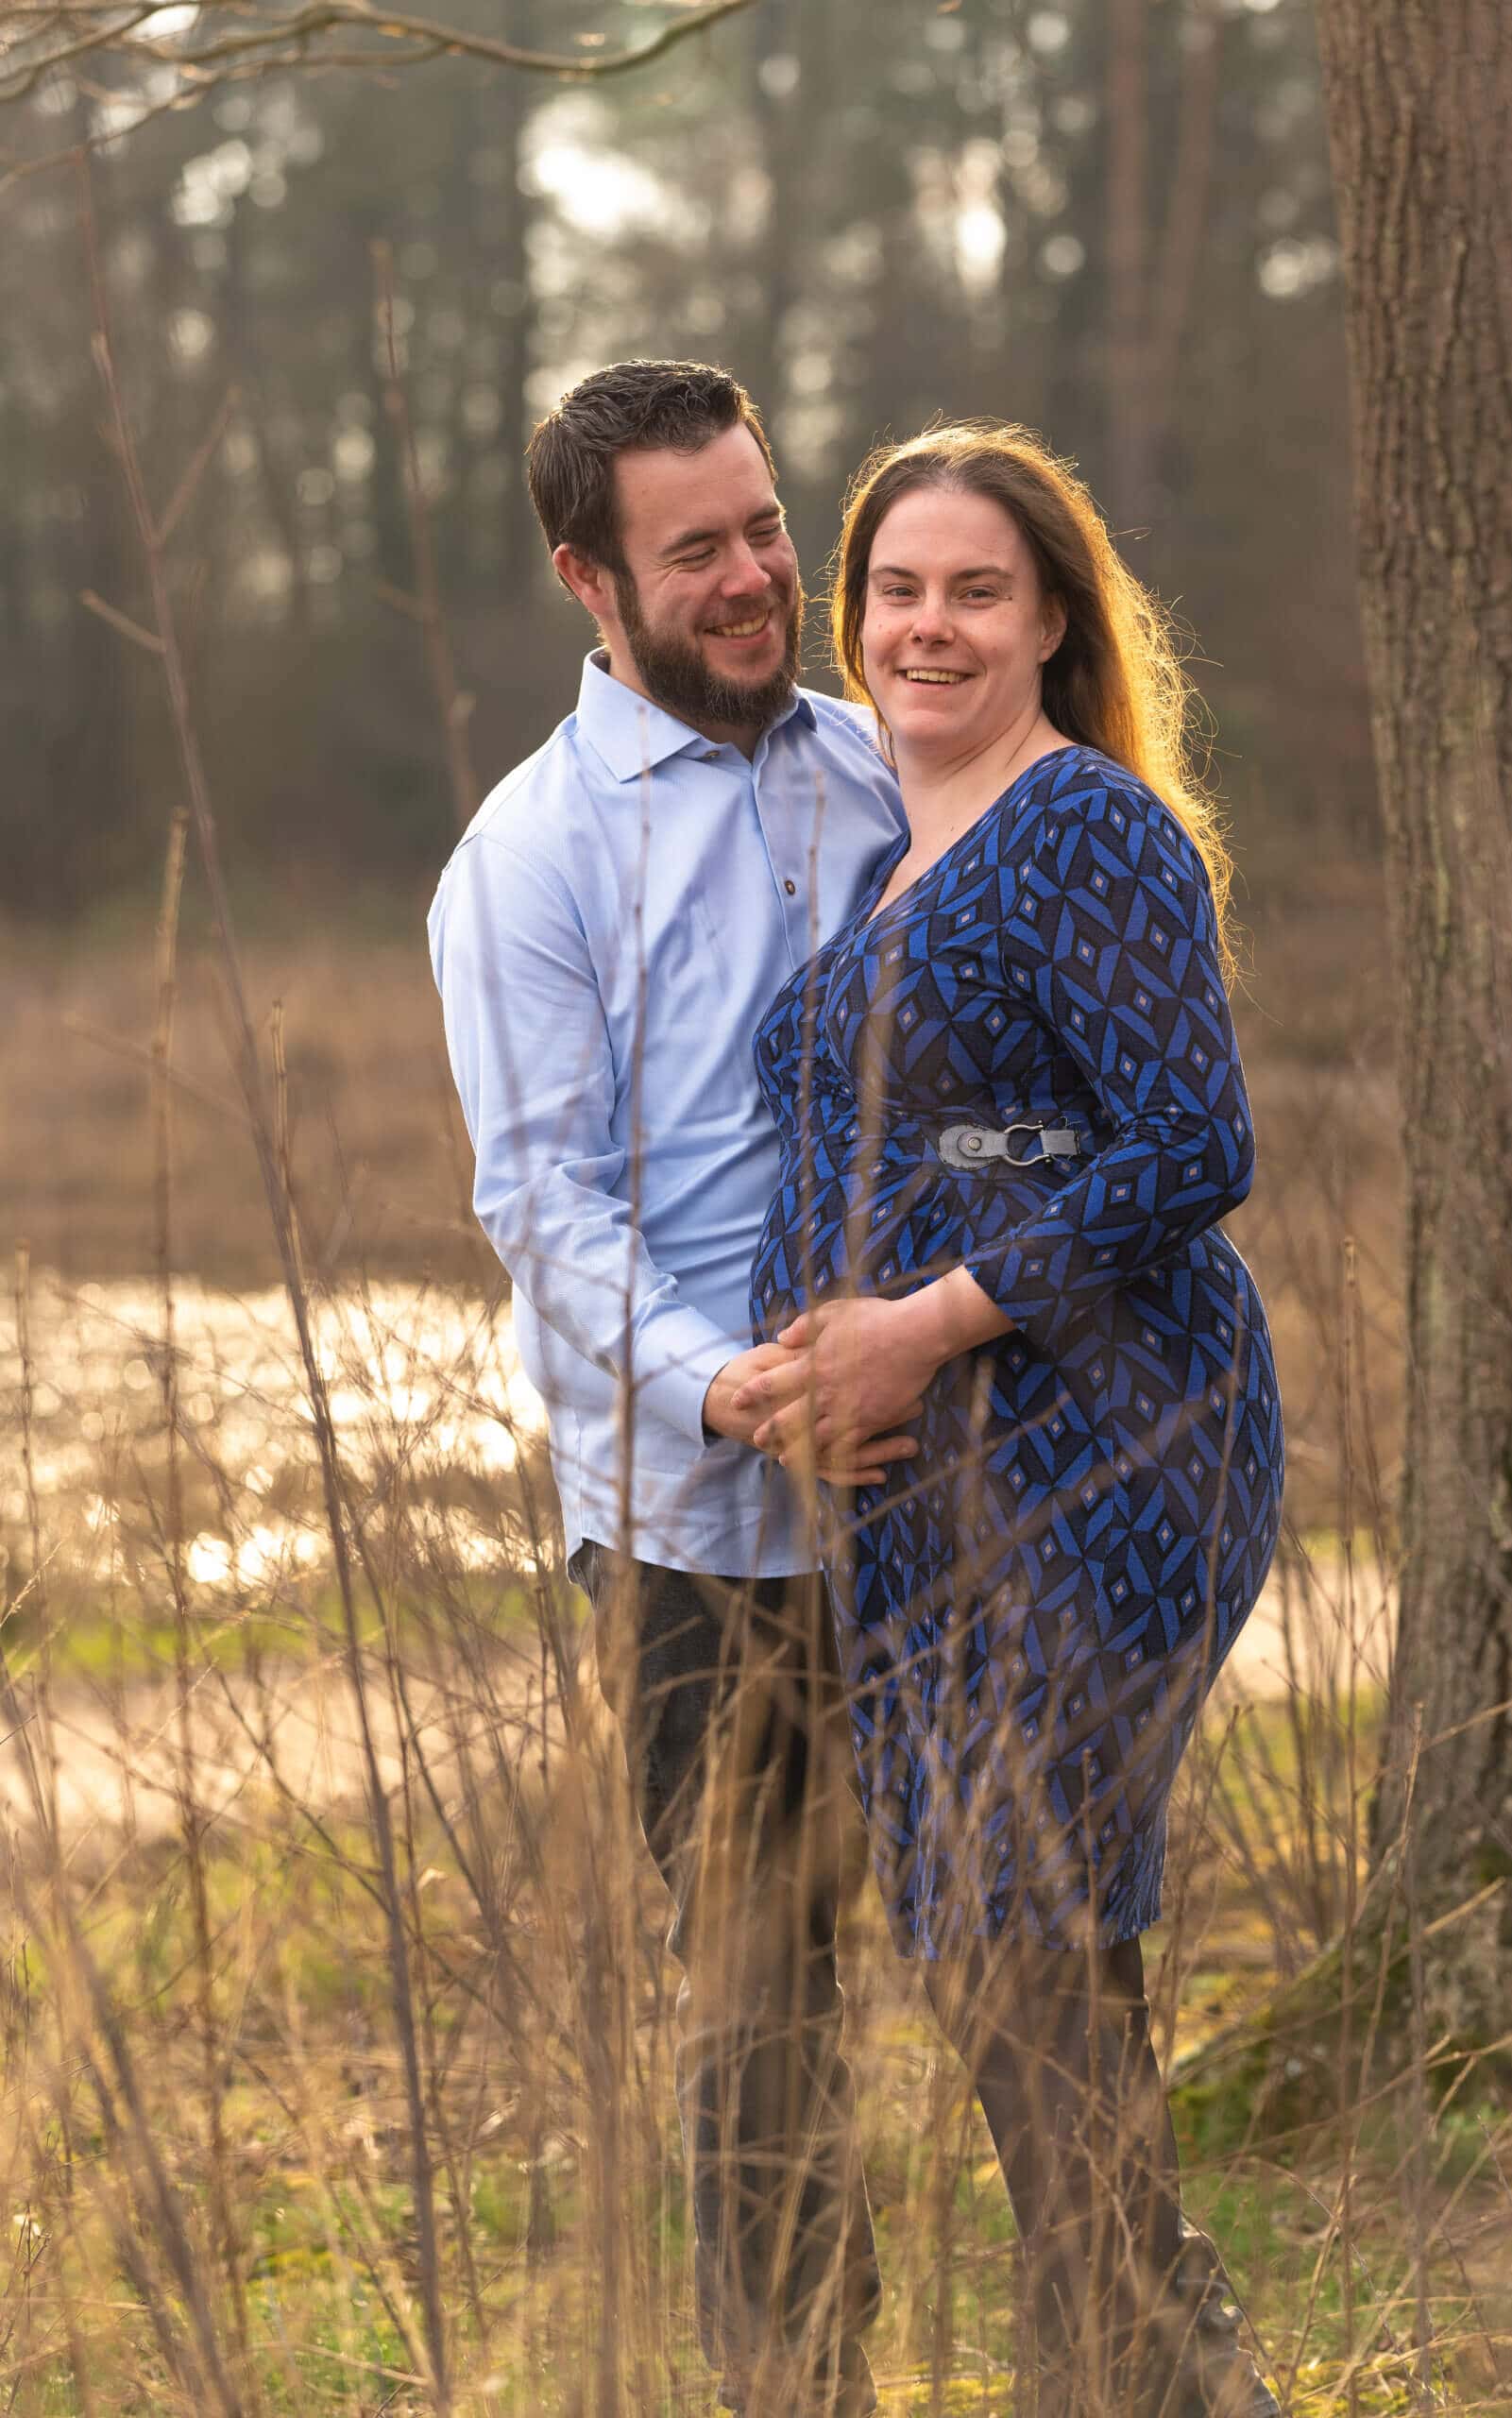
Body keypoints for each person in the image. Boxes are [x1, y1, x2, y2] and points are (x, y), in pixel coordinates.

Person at [734, 422, 1286, 2417]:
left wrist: (922, 1323)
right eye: (894, 588)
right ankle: (1158, 2357)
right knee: (1015, 1943)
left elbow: (1189, 1140)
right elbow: (989, 1127)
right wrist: (825, 1356)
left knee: (1023, 1927)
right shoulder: (899, 854)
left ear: (1055, 615)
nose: (928, 624)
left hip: (1108, 1440)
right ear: (850, 612)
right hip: (934, 1479)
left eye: (976, 588)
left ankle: (1125, 2365)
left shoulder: (1083, 828)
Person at [428, 360, 911, 2418]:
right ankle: (802, 2381)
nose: (753, 577)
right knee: (762, 2009)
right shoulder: (525, 864)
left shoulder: (885, 769)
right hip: (700, 1533)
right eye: (695, 548)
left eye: (765, 525)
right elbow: (544, 1198)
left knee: (1026, 1935)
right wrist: (732, 1391)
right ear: (590, 579)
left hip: (946, 1481)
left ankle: (1130, 2330)